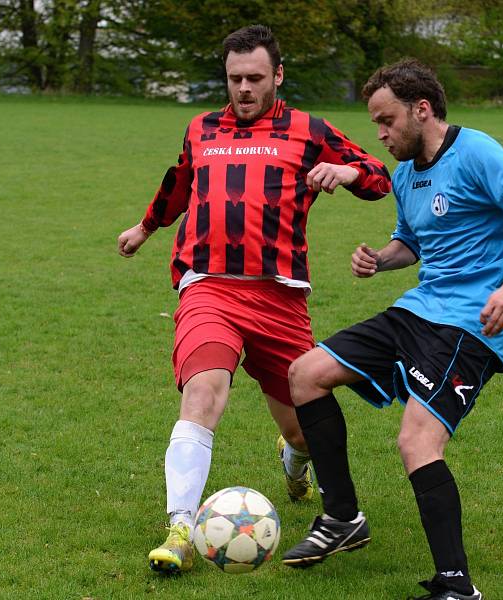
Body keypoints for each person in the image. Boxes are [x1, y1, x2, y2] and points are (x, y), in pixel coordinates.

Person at [281, 59, 503, 600]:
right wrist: (380, 260)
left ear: (422, 109)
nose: (381, 135)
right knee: (305, 374)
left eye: (386, 121)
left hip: (471, 324)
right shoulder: (408, 174)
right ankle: (342, 518)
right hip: (419, 309)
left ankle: (456, 586)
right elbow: (411, 241)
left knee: (416, 441)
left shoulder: (478, 152)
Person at [117, 24, 390, 574]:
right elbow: (179, 181)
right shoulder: (201, 127)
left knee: (300, 429)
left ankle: (294, 461)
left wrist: (345, 169)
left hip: (280, 298)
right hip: (208, 286)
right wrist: (147, 229)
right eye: (235, 77)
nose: (243, 88)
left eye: (255, 78)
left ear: (278, 76)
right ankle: (180, 529)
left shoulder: (308, 129)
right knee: (203, 396)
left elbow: (379, 175)